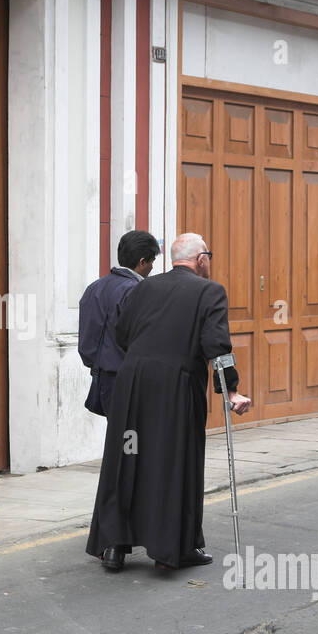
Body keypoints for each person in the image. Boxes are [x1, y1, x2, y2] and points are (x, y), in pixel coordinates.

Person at [85, 232, 252, 572]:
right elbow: (217, 346)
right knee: (175, 461)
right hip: (176, 385)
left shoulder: (143, 287)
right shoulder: (210, 291)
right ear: (201, 259)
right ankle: (171, 549)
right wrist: (231, 390)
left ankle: (115, 547)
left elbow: (123, 332)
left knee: (127, 457)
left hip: (133, 385)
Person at [78, 231, 160, 416]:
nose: (152, 267)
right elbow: (144, 338)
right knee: (131, 435)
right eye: (152, 261)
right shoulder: (137, 290)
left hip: (102, 375)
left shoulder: (94, 287)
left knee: (117, 433)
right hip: (128, 377)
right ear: (142, 262)